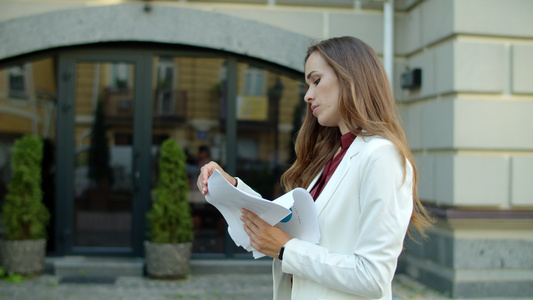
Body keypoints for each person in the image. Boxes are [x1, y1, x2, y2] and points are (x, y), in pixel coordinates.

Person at [197, 36, 433, 300]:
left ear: (351, 78)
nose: (308, 96)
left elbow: (373, 276)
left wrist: (287, 250)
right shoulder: (336, 156)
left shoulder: (381, 156)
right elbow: (297, 232)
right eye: (308, 84)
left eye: (316, 80)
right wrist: (232, 187)